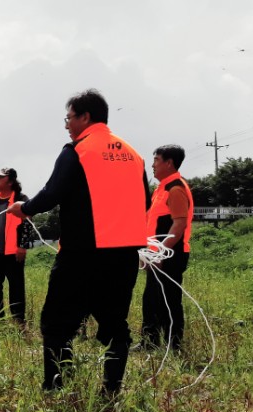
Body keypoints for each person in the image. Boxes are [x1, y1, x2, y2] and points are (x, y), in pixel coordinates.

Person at [8, 89, 151, 394]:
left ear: (85, 117)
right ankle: (111, 388)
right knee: (115, 325)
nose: (67, 125)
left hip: (81, 255)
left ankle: (56, 385)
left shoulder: (78, 150)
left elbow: (52, 193)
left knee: (56, 324)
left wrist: (25, 208)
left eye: (69, 118)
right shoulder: (134, 155)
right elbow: (145, 202)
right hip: (124, 256)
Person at [140, 144, 193, 351]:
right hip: (156, 254)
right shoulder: (161, 189)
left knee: (169, 300)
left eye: (156, 160)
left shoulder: (176, 189)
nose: (153, 165)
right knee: (152, 299)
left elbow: (178, 225)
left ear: (169, 163)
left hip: (170, 255)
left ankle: (174, 345)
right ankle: (150, 341)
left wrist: (160, 253)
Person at [0, 168, 33, 326]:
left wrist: (22, 246)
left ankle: (18, 320)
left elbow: (27, 223)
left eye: (0, 177)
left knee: (16, 287)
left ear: (10, 181)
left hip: (13, 252)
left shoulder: (21, 199)